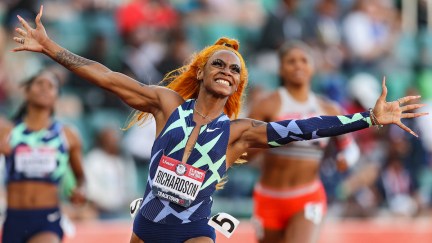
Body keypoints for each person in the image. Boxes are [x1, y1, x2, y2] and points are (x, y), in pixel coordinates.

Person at [12, 6, 427, 243]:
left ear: (238, 84)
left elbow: (306, 128)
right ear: (203, 70)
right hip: (146, 229)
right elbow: (104, 76)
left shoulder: (238, 132)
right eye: (219, 64)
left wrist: (368, 117)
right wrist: (50, 48)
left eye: (235, 69)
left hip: (194, 230)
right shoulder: (165, 103)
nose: (226, 70)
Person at [248, 41, 360, 243]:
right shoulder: (266, 105)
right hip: (269, 199)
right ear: (281, 69)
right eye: (291, 61)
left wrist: (345, 159)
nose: (298, 65)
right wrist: (264, 143)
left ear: (312, 67)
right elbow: (242, 151)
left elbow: (350, 148)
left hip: (308, 198)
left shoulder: (329, 109)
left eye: (303, 60)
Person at [0, 69, 86, 243]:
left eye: (51, 86)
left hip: (47, 219)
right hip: (13, 219)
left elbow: (81, 177)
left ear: (57, 97)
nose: (44, 89)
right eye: (39, 83)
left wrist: (80, 190)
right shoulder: (7, 131)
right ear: (27, 91)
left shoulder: (67, 135)